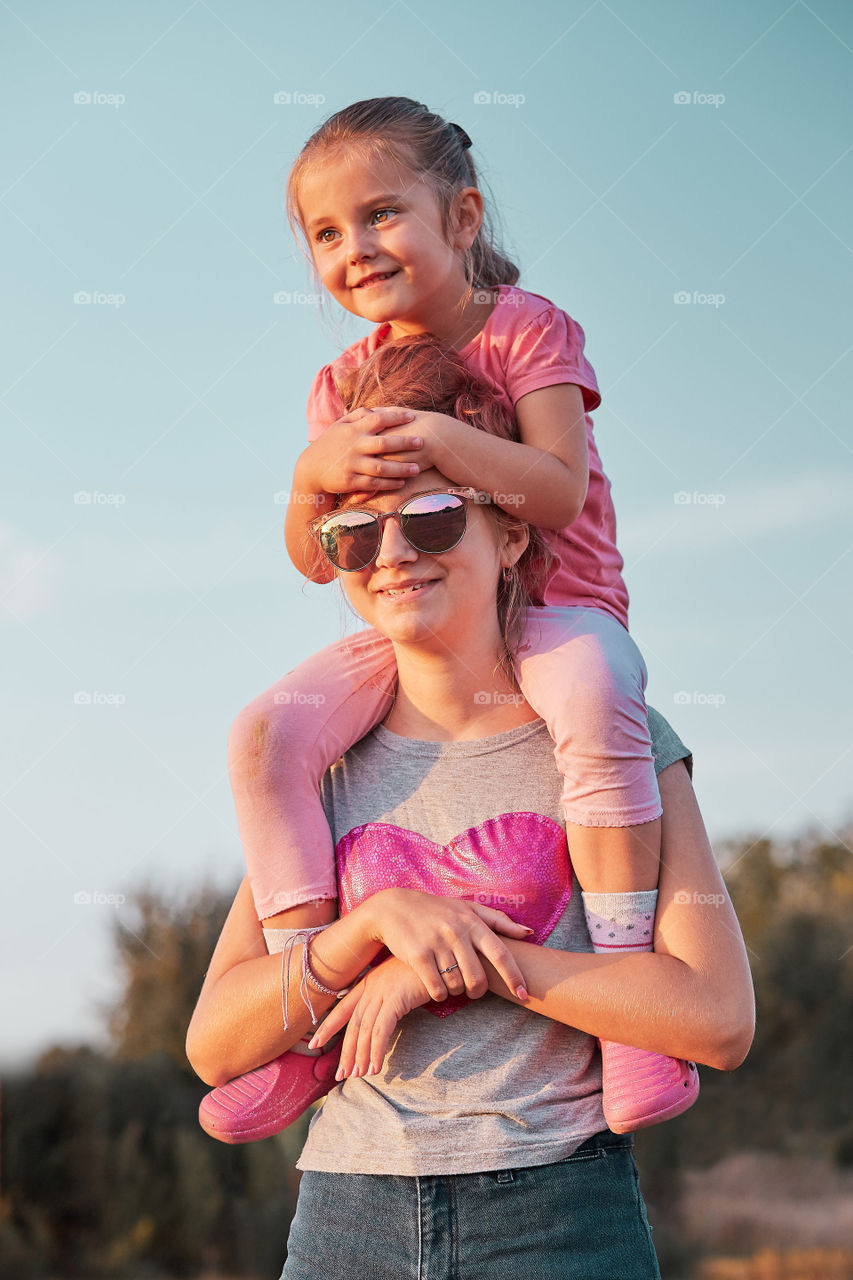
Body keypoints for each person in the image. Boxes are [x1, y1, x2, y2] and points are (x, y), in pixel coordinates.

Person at [218, 94, 696, 1139]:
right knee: (266, 734)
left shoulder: (526, 330)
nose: (354, 248)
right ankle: (306, 1012)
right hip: (420, 626)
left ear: (463, 217)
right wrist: (310, 479)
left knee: (597, 690)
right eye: (325, 233)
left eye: (380, 213)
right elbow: (316, 556)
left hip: (558, 615)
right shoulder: (340, 384)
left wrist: (438, 440)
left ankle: (627, 996)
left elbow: (556, 493)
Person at [186, 452, 755, 1280]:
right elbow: (216, 1046)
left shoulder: (614, 736)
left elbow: (716, 1019)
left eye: (432, 519)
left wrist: (459, 963)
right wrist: (370, 930)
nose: (391, 554)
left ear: (511, 535)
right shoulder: (320, 764)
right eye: (354, 534)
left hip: (558, 1218)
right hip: (347, 1219)